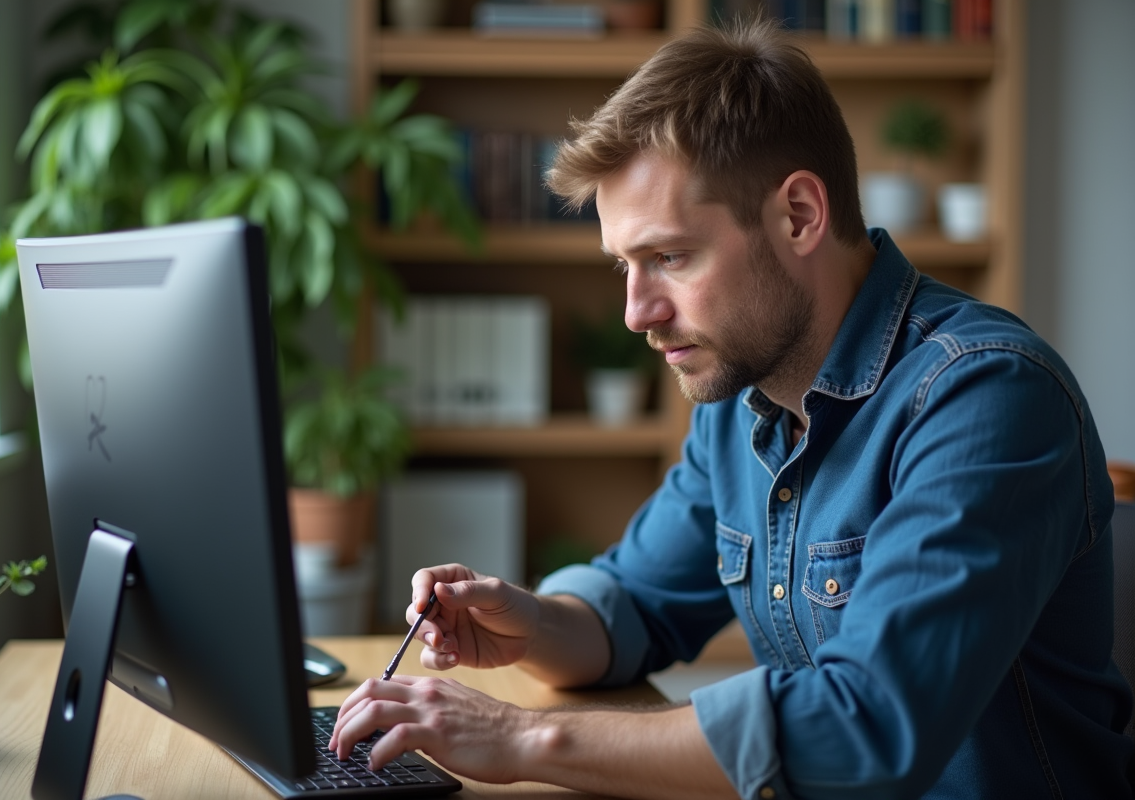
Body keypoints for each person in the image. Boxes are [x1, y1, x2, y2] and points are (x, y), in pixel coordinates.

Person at [331, 18, 1133, 800]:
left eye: (670, 257)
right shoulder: (740, 391)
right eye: (624, 266)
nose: (636, 312)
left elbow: (871, 727)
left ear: (799, 216)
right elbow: (637, 605)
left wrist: (517, 738)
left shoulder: (986, 396)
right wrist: (528, 622)